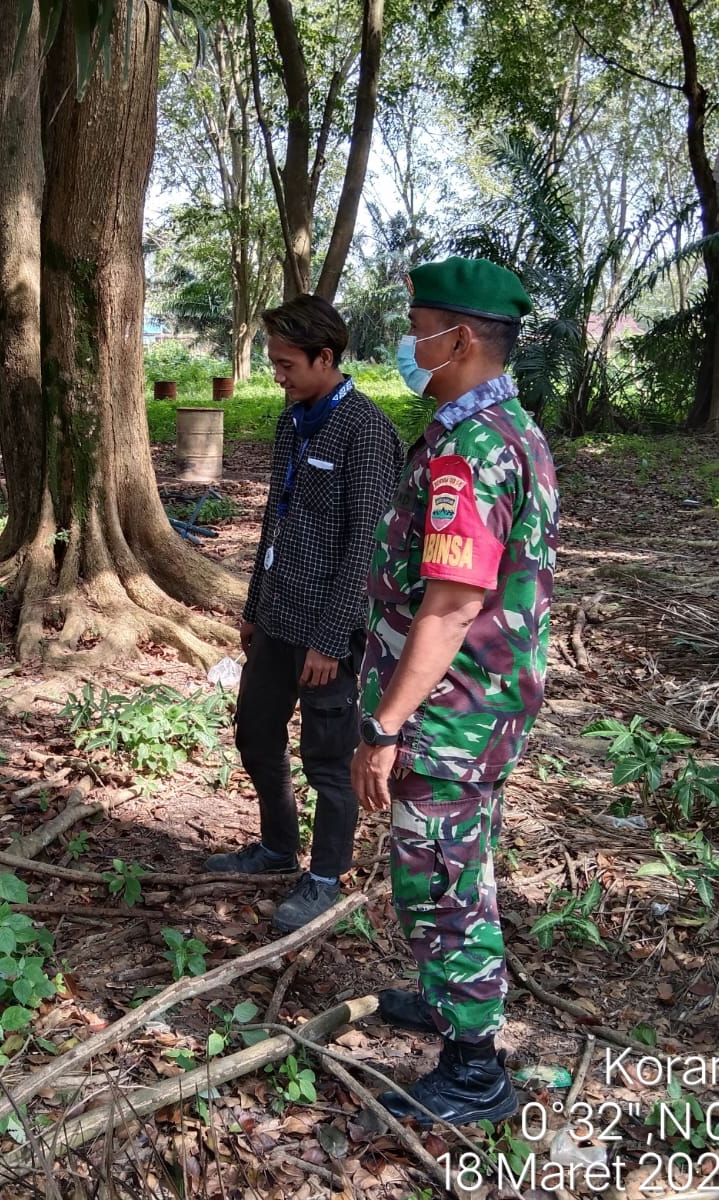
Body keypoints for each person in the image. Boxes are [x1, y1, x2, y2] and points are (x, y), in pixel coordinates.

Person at [352, 257, 559, 1125]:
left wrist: (386, 724)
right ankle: (448, 999)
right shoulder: (501, 428)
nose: (410, 342)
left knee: (440, 877)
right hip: (481, 702)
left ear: (461, 338)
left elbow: (451, 603)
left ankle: (474, 1066)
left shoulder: (474, 451)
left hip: (450, 713)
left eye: (418, 325)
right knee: (454, 864)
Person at [205, 295, 402, 932]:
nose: (278, 376)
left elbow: (365, 544)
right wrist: (253, 607)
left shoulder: (368, 432)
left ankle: (325, 879)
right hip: (277, 616)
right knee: (255, 735)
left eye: (288, 364)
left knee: (327, 760)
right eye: (273, 362)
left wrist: (329, 637)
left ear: (326, 358)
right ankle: (275, 848)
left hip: (330, 634)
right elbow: (276, 517)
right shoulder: (294, 421)